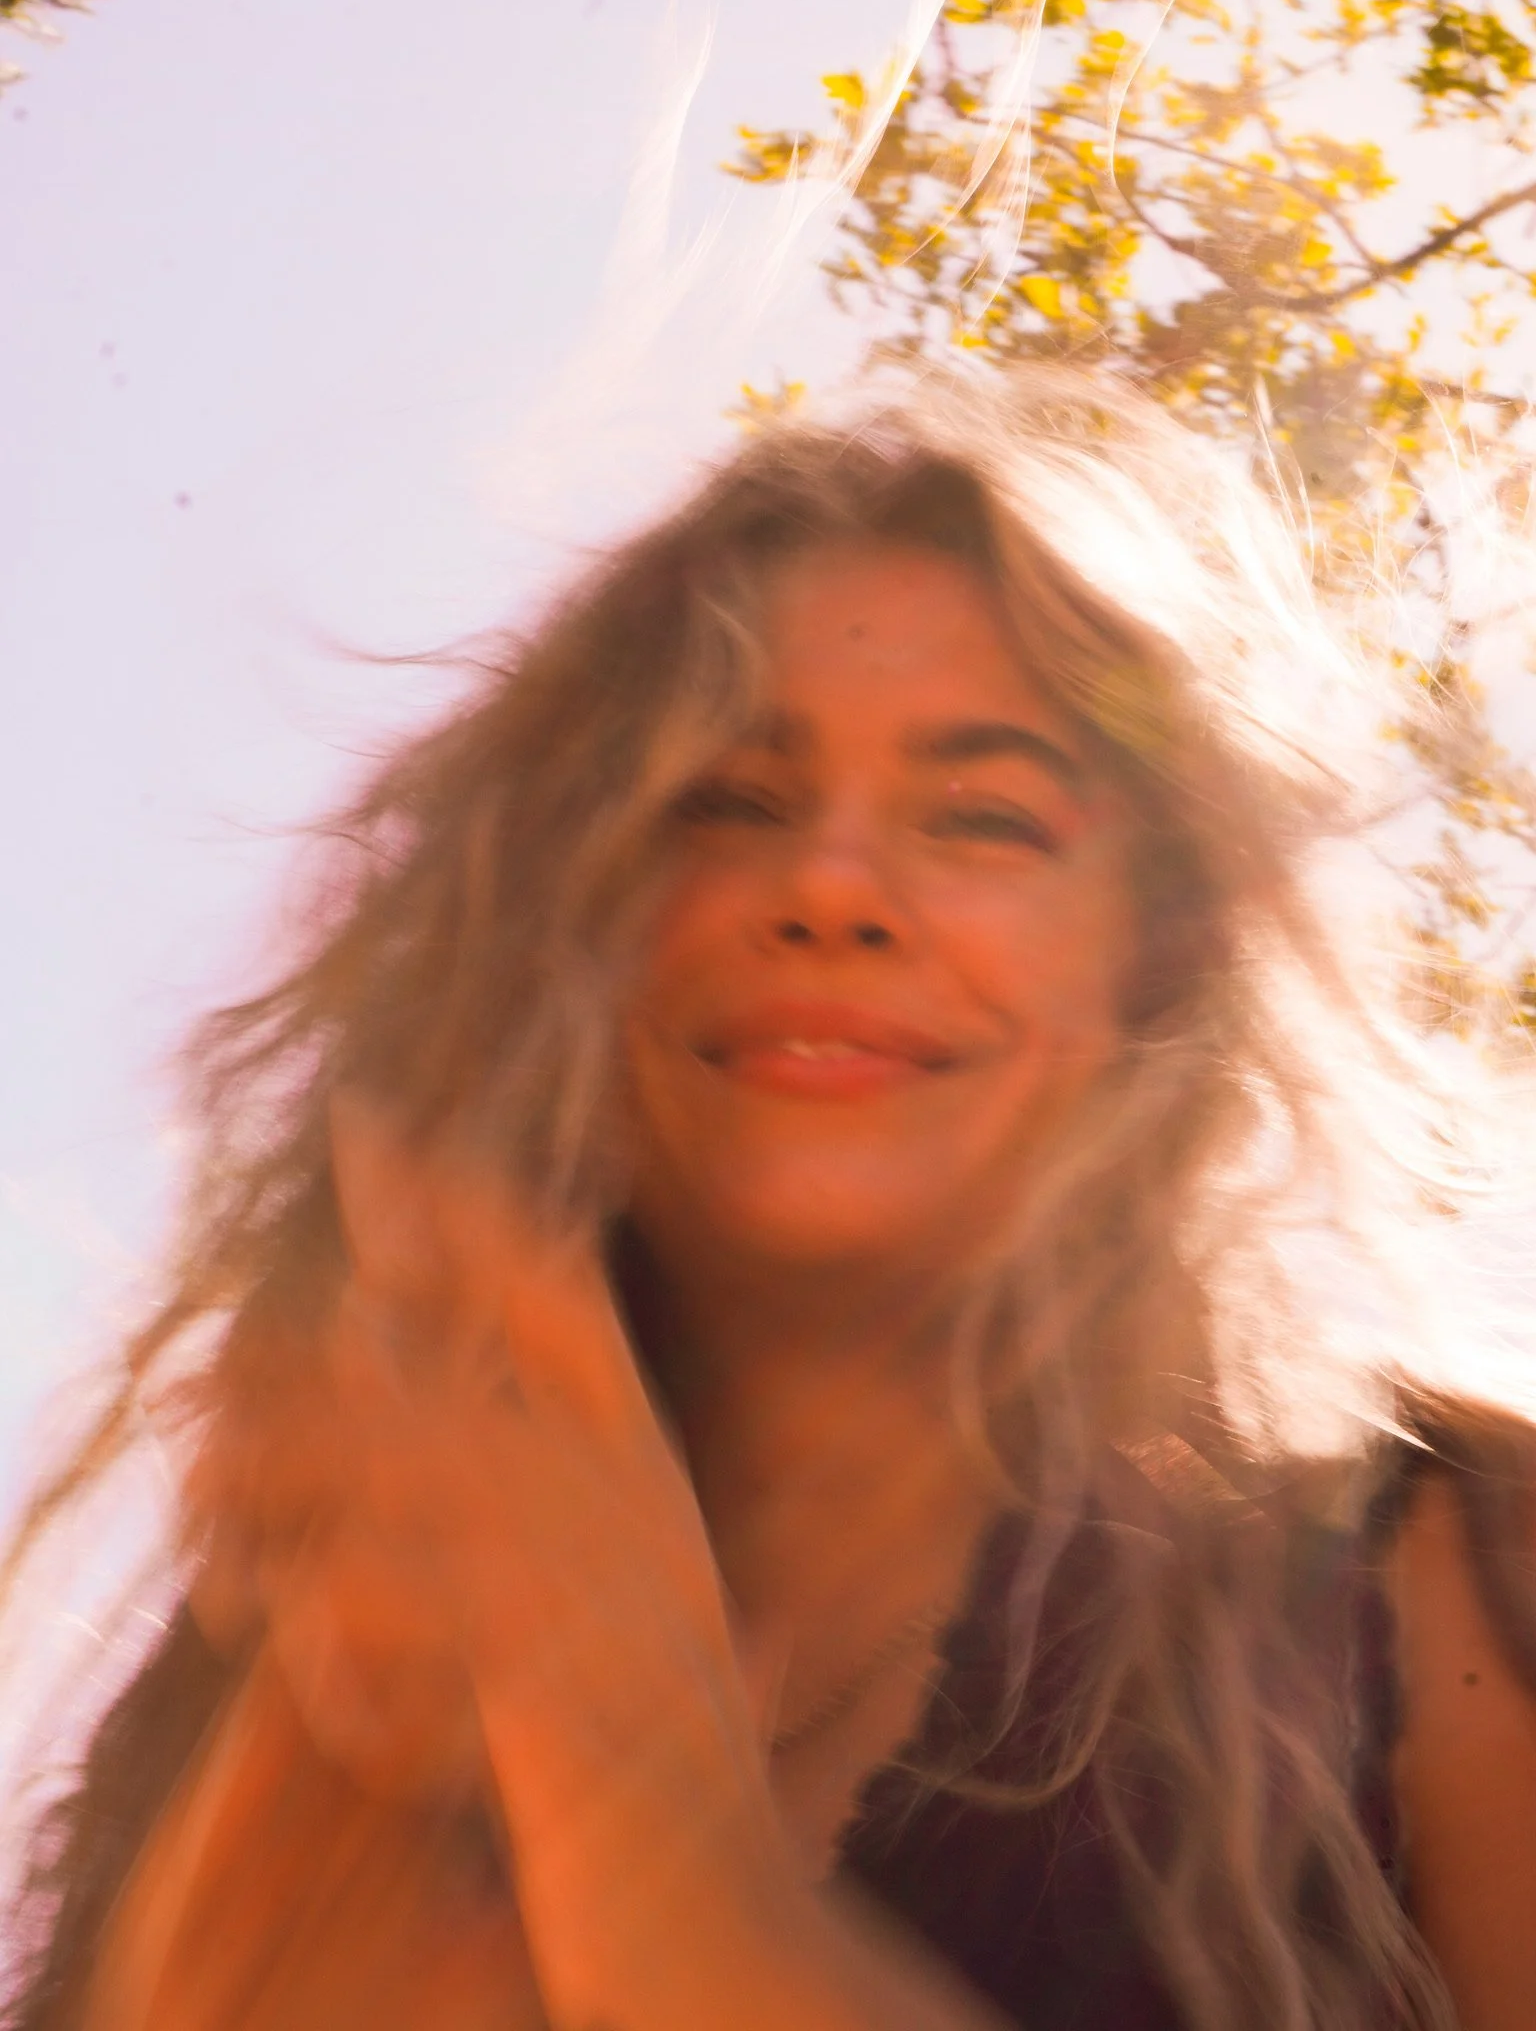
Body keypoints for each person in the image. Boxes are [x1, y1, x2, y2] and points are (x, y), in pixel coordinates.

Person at [5, 365, 1536, 2031]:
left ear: (1154, 966)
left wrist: (654, 1846)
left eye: (983, 815)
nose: (828, 885)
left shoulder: (1449, 1576)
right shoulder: (313, 1657)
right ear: (566, 929)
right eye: (726, 801)